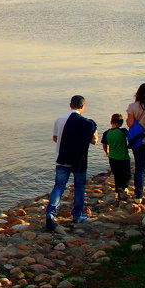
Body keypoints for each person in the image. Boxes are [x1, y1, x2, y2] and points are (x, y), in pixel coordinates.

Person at [46, 95, 99, 231]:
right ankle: (77, 215)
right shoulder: (87, 123)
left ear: (70, 105)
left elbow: (55, 138)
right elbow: (94, 141)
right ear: (83, 106)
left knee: (59, 186)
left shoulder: (60, 119)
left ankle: (50, 214)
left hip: (61, 158)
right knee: (79, 186)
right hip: (78, 160)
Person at [102, 113, 131, 199]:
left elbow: (104, 145)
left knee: (117, 176)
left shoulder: (106, 133)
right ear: (121, 123)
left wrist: (107, 152)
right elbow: (130, 138)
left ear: (111, 121)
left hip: (112, 158)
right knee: (127, 174)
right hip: (123, 157)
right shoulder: (123, 131)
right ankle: (123, 187)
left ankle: (119, 194)